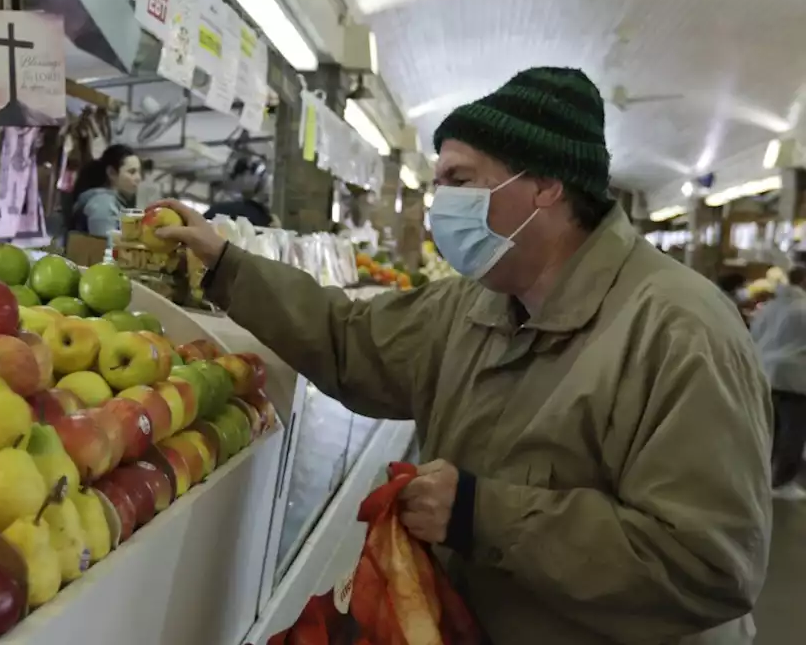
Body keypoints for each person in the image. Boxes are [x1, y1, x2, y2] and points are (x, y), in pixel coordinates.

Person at [153, 67, 771, 644]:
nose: (437, 206)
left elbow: (707, 561)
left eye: (460, 180)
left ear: (546, 187)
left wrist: (481, 514)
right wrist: (226, 266)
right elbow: (349, 338)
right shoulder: (474, 306)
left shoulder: (678, 332)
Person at [750, 266, 806, 499]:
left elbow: (753, 335)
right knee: (792, 432)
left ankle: (762, 478)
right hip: (794, 377)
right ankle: (782, 482)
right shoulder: (803, 308)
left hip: (765, 372)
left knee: (769, 430)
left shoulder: (768, 308)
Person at [64, 144, 141, 243]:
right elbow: (107, 249)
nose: (138, 178)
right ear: (111, 173)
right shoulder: (103, 204)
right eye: (132, 172)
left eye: (139, 172)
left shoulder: (115, 203)